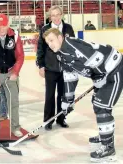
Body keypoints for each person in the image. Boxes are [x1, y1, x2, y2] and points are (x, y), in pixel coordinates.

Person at [43, 28, 123, 163]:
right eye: (47, 42)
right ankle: (105, 135)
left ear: (60, 37)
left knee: (101, 106)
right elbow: (70, 76)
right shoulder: (61, 53)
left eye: (52, 40)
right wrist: (67, 100)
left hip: (114, 69)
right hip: (103, 73)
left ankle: (108, 146)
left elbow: (96, 58)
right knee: (98, 102)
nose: (50, 44)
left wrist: (100, 77)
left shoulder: (72, 46)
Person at [36, 5, 75, 131]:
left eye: (58, 14)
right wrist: (41, 65)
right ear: (50, 17)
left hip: (65, 68)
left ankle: (61, 118)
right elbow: (40, 49)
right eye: (53, 15)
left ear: (62, 15)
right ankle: (48, 120)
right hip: (50, 68)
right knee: (50, 96)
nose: (56, 17)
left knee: (63, 95)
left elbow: (73, 47)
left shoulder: (68, 28)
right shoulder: (45, 29)